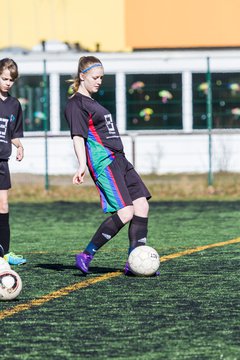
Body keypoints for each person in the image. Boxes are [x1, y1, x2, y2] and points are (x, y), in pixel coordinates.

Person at [65, 56, 158, 276]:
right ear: (82, 76)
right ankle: (86, 254)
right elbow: (78, 137)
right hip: (104, 162)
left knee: (142, 206)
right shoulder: (75, 104)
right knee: (126, 212)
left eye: (101, 78)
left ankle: (134, 261)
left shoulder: (95, 103)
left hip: (121, 160)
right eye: (95, 77)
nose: (99, 81)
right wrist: (81, 165)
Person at [0, 58, 26, 265]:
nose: (8, 83)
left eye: (11, 80)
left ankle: (5, 253)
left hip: (2, 162)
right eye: (4, 78)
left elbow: (11, 134)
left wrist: (19, 146)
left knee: (3, 205)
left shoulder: (14, 105)